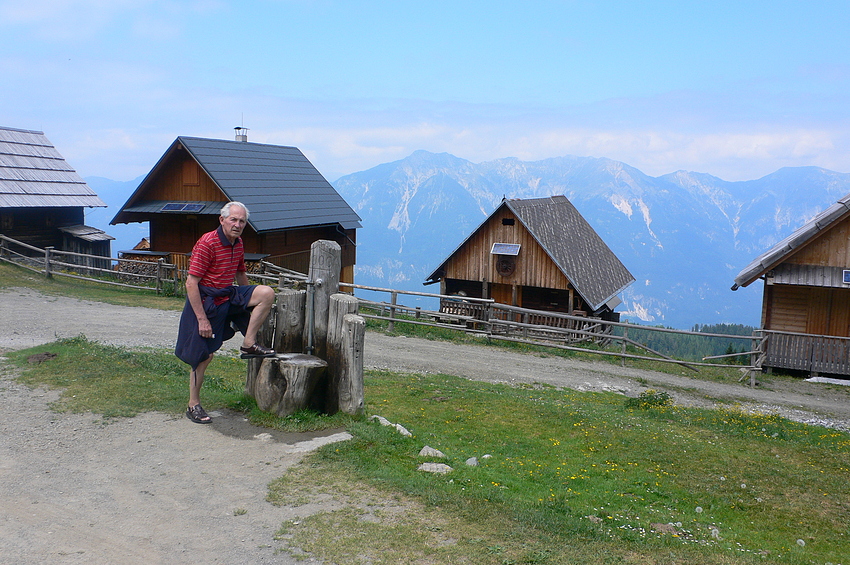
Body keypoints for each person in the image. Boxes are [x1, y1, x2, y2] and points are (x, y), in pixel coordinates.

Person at [175, 201, 276, 424]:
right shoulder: (207, 243)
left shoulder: (238, 243)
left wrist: (247, 303)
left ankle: (249, 342)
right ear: (222, 220)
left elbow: (240, 274)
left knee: (267, 293)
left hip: (228, 295)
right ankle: (193, 405)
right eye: (233, 219)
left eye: (242, 221)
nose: (238, 224)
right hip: (206, 302)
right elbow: (191, 283)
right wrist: (201, 319)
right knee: (203, 356)